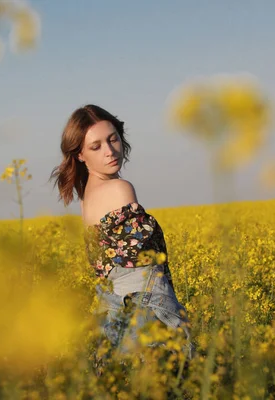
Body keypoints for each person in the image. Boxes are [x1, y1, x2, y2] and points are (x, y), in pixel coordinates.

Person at [50, 104, 193, 368]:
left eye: (112, 138)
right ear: (80, 154)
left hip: (110, 312)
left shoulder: (86, 200)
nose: (109, 151)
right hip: (145, 310)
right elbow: (140, 264)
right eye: (96, 146)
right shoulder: (120, 189)